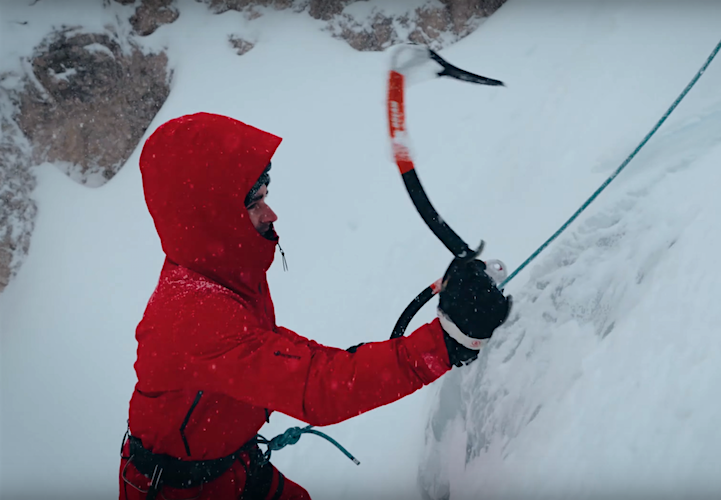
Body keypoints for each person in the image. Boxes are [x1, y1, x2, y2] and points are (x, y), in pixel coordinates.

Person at [119, 112, 512, 500]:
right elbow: (316, 388)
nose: (271, 214)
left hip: (229, 466)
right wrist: (445, 344)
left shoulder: (216, 268)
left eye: (266, 196)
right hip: (179, 491)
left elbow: (278, 355)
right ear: (210, 215)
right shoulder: (196, 315)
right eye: (255, 203)